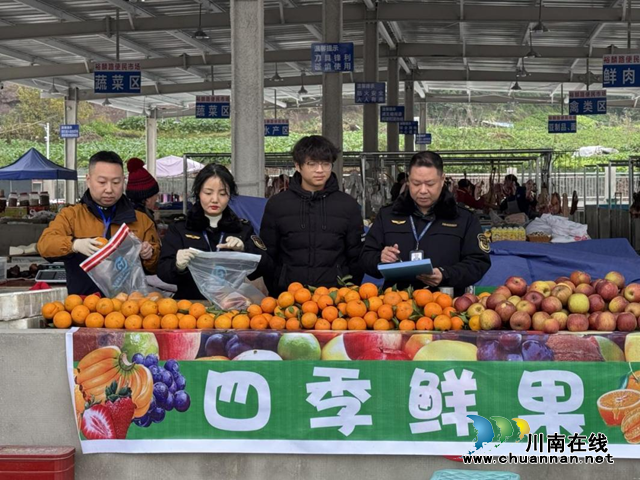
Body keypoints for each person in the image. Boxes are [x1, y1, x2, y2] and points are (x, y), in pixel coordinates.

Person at [360, 151, 491, 295]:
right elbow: (365, 256)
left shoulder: (464, 219)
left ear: (442, 180)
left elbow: (478, 262)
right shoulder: (387, 215)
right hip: (395, 306)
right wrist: (380, 258)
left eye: (430, 184)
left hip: (446, 306)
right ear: (408, 180)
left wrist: (445, 274)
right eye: (416, 183)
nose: (423, 191)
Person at [37, 151, 160, 296]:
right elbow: (44, 245)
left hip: (129, 309)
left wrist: (149, 255)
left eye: (116, 182)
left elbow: (157, 266)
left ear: (123, 181)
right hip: (83, 307)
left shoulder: (141, 220)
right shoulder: (71, 215)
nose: (109, 189)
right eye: (102, 182)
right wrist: (74, 245)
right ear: (88, 180)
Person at [260, 135, 364, 295]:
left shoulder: (348, 205)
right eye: (312, 164)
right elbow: (268, 255)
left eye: (326, 164)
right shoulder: (277, 205)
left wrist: (345, 293)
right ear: (298, 166)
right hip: (288, 298)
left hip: (335, 301)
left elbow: (356, 257)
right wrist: (278, 288)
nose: (320, 170)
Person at [156, 164, 269, 300]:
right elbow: (162, 272)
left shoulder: (242, 228)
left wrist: (246, 250)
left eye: (222, 193)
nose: (215, 199)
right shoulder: (181, 228)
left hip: (231, 308)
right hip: (189, 308)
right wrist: (177, 265)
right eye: (208, 193)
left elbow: (266, 266)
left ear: (230, 195)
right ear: (198, 192)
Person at [125, 158, 160, 224]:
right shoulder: (144, 220)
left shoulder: (126, 213)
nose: (156, 199)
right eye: (155, 195)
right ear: (148, 199)